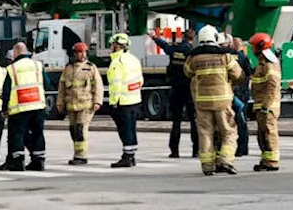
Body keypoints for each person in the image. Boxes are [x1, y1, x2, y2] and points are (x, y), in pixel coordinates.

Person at [185, 25, 243, 175]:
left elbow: (188, 72)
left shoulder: (194, 57)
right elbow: (237, 74)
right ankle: (225, 160)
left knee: (205, 133)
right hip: (222, 101)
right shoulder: (224, 56)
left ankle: (207, 166)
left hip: (202, 101)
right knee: (228, 132)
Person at [151, 27, 197, 158]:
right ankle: (196, 150)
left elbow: (164, 46)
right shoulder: (191, 52)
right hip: (188, 89)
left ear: (183, 37)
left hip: (176, 88)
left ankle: (174, 151)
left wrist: (155, 38)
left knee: (176, 120)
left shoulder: (174, 49)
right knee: (194, 120)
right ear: (192, 39)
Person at [2, 42, 47, 171]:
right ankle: (38, 161)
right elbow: (47, 83)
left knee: (18, 135)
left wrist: (4, 108)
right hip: (38, 106)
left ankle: (18, 162)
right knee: (38, 134)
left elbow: (6, 91)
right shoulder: (37, 65)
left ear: (15, 53)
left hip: (20, 108)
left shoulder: (12, 68)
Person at [57, 41, 102, 165]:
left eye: (84, 52)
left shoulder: (91, 68)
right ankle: (77, 153)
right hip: (71, 105)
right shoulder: (68, 69)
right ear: (74, 54)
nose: (82, 55)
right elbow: (62, 88)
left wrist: (97, 101)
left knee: (80, 130)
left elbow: (98, 86)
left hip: (85, 105)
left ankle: (81, 156)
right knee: (73, 130)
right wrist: (60, 103)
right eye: (79, 52)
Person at [106, 33, 143, 168]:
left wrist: (114, 102)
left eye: (112, 44)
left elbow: (116, 85)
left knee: (125, 130)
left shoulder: (117, 62)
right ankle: (131, 155)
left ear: (117, 45)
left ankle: (127, 157)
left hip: (122, 102)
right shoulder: (134, 59)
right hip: (135, 100)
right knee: (131, 129)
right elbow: (140, 81)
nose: (111, 47)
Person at [248, 33, 281, 172]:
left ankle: (272, 161)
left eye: (254, 47)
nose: (253, 50)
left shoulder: (269, 64)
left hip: (267, 107)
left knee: (269, 133)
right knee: (262, 134)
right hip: (262, 106)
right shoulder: (262, 63)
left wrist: (266, 106)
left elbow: (273, 86)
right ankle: (266, 160)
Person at [230, 37, 252, 157]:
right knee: (242, 122)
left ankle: (239, 148)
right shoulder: (244, 57)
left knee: (236, 122)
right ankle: (244, 148)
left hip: (235, 93)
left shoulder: (231, 57)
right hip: (243, 93)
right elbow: (249, 73)